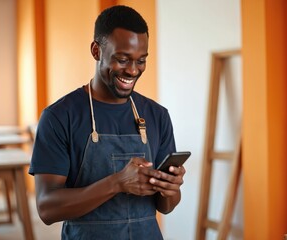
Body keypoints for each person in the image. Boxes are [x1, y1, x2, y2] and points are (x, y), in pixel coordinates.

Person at [29, 5, 186, 240]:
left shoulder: (157, 115)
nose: (132, 71)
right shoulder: (59, 117)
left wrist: (170, 188)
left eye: (141, 60)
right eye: (122, 59)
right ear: (96, 50)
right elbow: (47, 208)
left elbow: (166, 206)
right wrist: (117, 183)